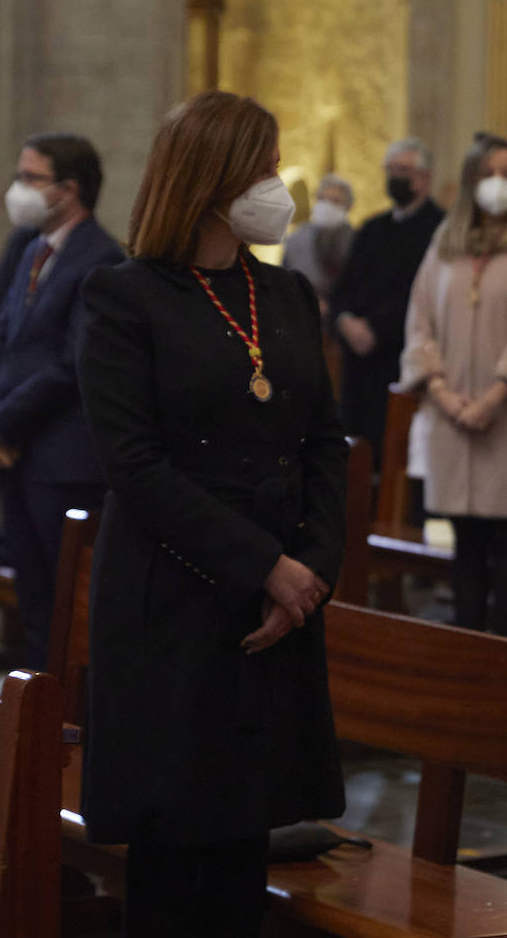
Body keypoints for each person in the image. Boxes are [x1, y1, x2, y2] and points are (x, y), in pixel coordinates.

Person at [78, 90, 346, 937]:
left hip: (278, 606)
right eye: (265, 167)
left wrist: (310, 573)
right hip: (176, 599)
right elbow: (135, 465)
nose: (277, 183)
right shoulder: (124, 298)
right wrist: (264, 566)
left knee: (242, 841)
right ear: (214, 176)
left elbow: (324, 446)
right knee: (174, 852)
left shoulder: (288, 292)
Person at [400, 133, 507, 637]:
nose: (500, 184)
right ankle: (467, 650)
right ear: (472, 181)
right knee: (464, 542)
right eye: (490, 174)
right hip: (451, 415)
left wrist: (493, 398)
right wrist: (443, 393)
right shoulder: (444, 247)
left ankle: (503, 656)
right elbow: (419, 321)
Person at [0, 133, 124, 667]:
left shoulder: (101, 259)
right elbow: (0, 340)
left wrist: (4, 422)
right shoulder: (31, 247)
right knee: (33, 605)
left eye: (31, 178)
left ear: (69, 189)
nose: (19, 189)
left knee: (65, 611)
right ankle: (34, 730)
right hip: (20, 454)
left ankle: (65, 724)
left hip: (63, 462)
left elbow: (70, 365)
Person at [329, 138, 444, 462]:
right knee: (357, 460)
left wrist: (376, 329)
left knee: (399, 463)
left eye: (403, 170)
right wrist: (343, 320)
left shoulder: (441, 230)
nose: (395, 177)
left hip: (402, 363)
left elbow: (428, 300)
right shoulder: (370, 229)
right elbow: (342, 290)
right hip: (357, 368)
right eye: (391, 170)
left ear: (424, 178)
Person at [281, 173, 354, 313]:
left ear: (348, 206)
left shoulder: (358, 241)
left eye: (335, 201)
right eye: (322, 199)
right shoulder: (296, 239)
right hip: (300, 310)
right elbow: (284, 279)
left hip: (343, 315)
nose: (327, 205)